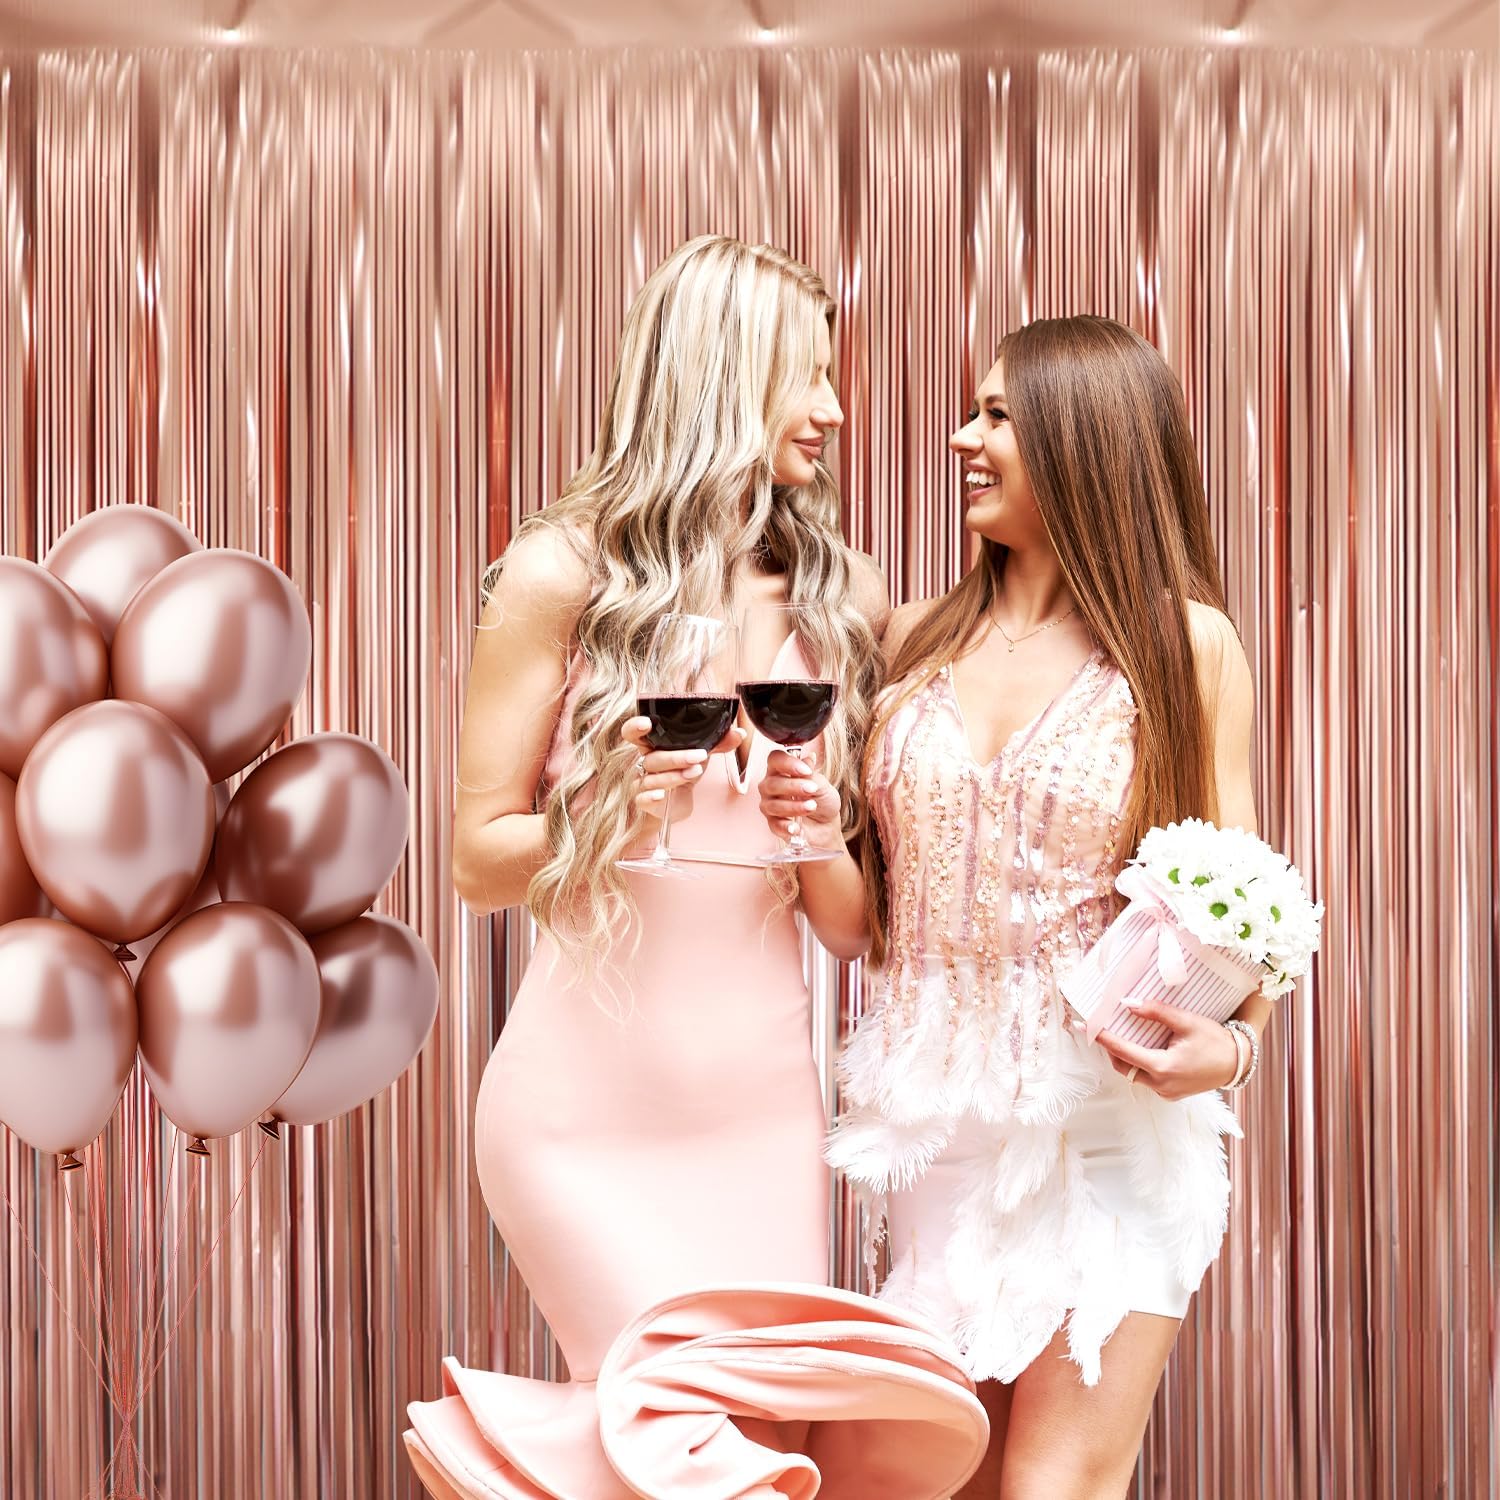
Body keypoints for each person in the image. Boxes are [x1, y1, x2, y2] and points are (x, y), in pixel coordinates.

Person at [404, 236, 988, 1500]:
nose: (834, 409)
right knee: (673, 1445)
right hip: (579, 1112)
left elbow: (851, 930)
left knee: (760, 1456)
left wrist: (813, 826)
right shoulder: (563, 574)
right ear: (724, 372)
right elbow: (475, 863)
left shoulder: (844, 596)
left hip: (760, 1116)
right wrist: (607, 820)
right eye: (807, 374)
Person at [768, 315, 1264, 1497]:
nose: (962, 438)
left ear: (1082, 439)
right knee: (920, 1479)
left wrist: (1236, 1050)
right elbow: (859, 929)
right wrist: (810, 828)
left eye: (996, 416)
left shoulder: (1183, 646)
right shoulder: (911, 642)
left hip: (1103, 1127)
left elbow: (1247, 907)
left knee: (1049, 1487)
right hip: (933, 1131)